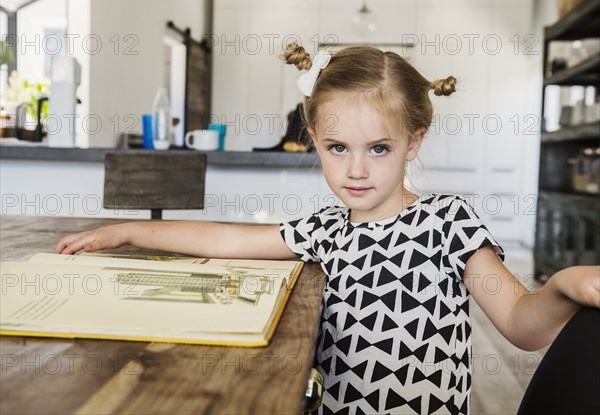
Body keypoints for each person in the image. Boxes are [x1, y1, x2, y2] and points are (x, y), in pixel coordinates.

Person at [56, 44, 600, 415]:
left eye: (379, 149)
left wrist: (561, 286)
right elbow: (228, 241)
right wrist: (129, 230)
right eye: (338, 148)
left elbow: (523, 327)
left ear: (414, 142)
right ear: (314, 139)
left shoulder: (448, 222)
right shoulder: (323, 229)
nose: (356, 170)